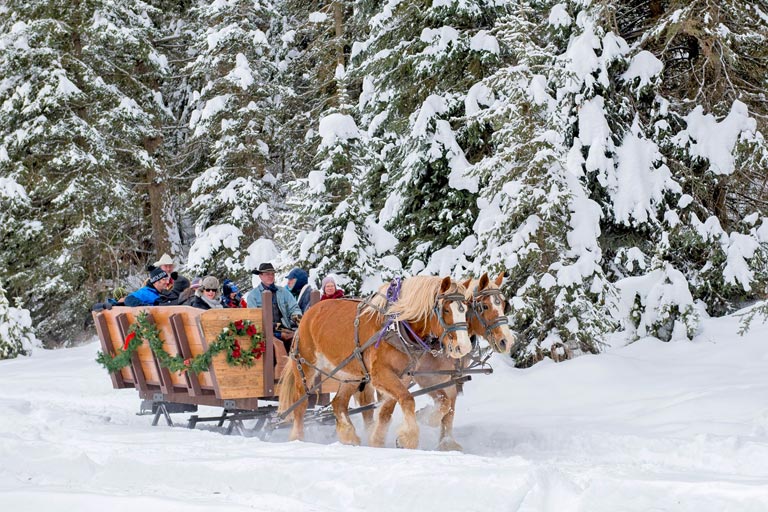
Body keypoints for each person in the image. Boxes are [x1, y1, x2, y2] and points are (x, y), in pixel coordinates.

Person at [246, 263, 302, 348]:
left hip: (284, 328)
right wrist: (274, 329)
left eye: (272, 274)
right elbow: (254, 319)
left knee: (299, 341)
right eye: (267, 274)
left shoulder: (283, 291)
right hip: (265, 332)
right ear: (260, 276)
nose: (270, 276)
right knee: (280, 344)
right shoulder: (253, 295)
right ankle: (283, 361)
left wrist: (297, 317)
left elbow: (293, 307)